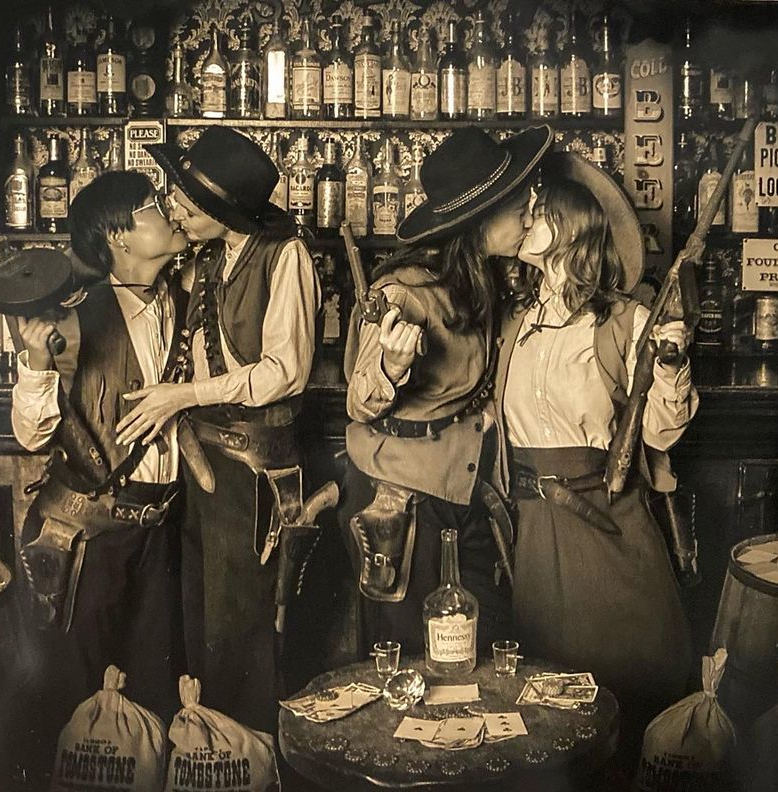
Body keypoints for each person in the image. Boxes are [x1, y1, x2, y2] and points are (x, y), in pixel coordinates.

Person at [116, 127, 321, 732]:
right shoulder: (209, 256)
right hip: (203, 466)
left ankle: (247, 756)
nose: (174, 210)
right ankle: (208, 754)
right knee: (202, 627)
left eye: (186, 202)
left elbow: (285, 372)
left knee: (243, 635)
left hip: (253, 469)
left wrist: (183, 396)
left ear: (224, 210)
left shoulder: (286, 256)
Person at [495, 151, 697, 722]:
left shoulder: (625, 321)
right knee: (547, 706)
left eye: (539, 211)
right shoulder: (515, 322)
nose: (526, 219)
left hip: (607, 524)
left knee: (622, 695)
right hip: (535, 532)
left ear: (572, 225)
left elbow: (660, 432)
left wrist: (669, 365)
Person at [343, 125, 553, 657]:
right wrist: (391, 365)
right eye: (518, 208)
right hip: (407, 503)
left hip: (464, 491)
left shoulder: (479, 279)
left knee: (479, 646)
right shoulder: (402, 292)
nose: (529, 216)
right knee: (413, 655)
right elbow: (359, 399)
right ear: (480, 219)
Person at [11, 170, 189, 722]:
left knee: (153, 703)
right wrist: (36, 361)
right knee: (80, 705)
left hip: (160, 532)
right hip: (88, 536)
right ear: (118, 236)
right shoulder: (73, 318)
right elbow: (31, 435)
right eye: (152, 206)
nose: (169, 212)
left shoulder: (188, 303)